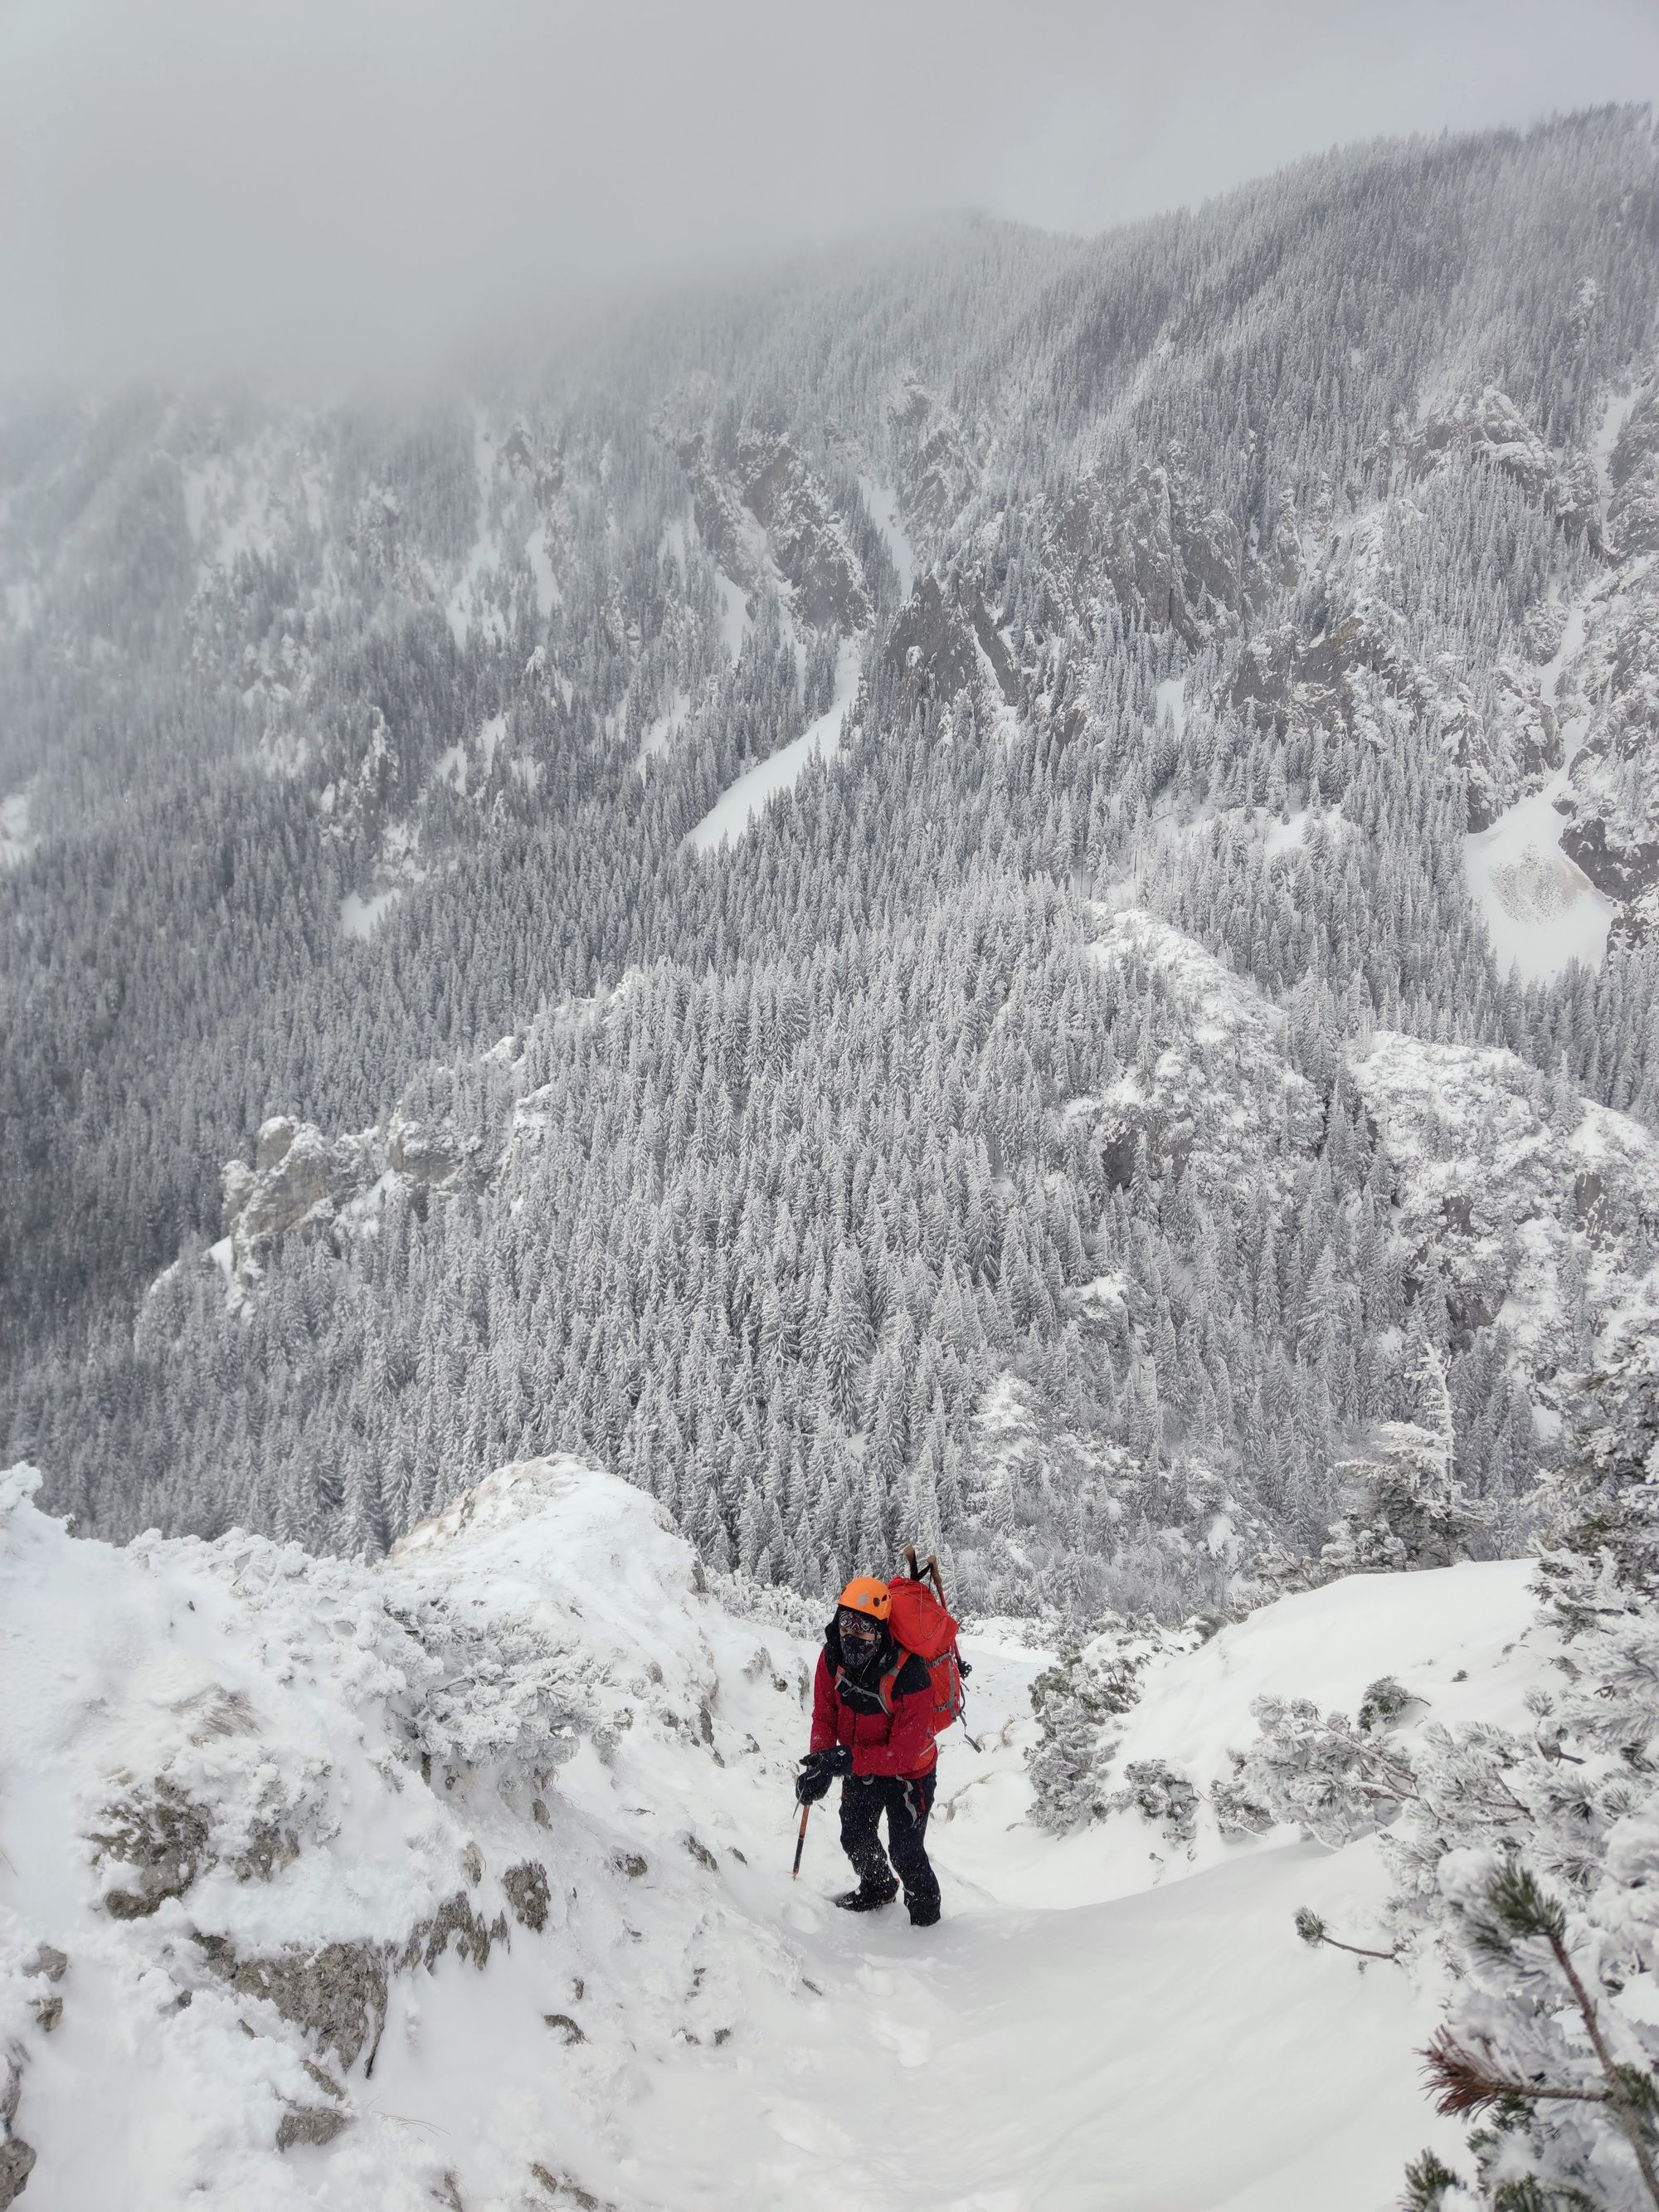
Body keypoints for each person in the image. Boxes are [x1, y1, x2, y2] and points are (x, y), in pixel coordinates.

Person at [795, 1576, 942, 1927]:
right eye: (846, 1622)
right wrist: (821, 1761)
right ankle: (878, 1887)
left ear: (880, 1629)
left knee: (906, 1853)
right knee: (855, 1832)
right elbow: (825, 1715)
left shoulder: (910, 1674)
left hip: (911, 1775)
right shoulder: (832, 1658)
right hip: (862, 1763)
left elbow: (905, 1753)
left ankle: (928, 1925)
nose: (852, 1635)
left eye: (863, 1627)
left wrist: (844, 1760)